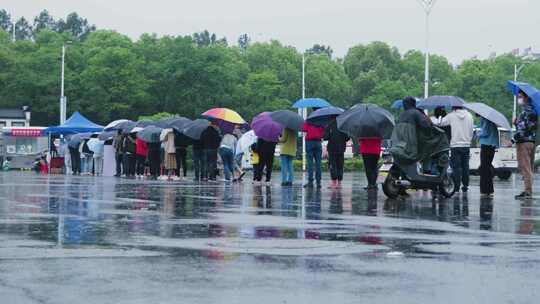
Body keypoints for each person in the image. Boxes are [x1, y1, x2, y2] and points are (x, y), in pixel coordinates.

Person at [439, 106, 474, 193]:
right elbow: (471, 132)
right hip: (466, 145)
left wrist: (438, 116)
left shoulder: (452, 115)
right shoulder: (470, 116)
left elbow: (441, 123)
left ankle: (457, 187)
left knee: (456, 167)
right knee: (465, 166)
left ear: (454, 107)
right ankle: (465, 185)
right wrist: (468, 140)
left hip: (455, 145)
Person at [513, 90, 538, 199]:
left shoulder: (525, 112)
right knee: (529, 166)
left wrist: (512, 140)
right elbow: (530, 127)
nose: (519, 99)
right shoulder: (534, 111)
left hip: (523, 142)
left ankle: (528, 191)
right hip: (531, 142)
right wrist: (516, 123)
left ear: (526, 98)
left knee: (525, 167)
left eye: (520, 96)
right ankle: (527, 190)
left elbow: (522, 130)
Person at [324, 119, 349, 188]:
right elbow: (347, 138)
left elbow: (325, 137)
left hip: (332, 148)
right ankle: (339, 183)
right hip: (341, 148)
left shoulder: (329, 125)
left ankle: (334, 183)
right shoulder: (343, 126)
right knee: (340, 165)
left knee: (333, 165)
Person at [478, 117, 499, 197]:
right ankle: (489, 189)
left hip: (487, 145)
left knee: (484, 168)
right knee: (487, 167)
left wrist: (478, 134)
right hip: (492, 145)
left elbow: (485, 132)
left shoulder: (485, 119)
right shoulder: (491, 120)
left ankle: (484, 190)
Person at [302, 121, 325, 188]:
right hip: (318, 142)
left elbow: (304, 130)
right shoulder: (321, 121)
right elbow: (323, 132)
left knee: (310, 163)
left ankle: (310, 182)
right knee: (318, 163)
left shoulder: (309, 120)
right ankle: (318, 182)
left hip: (309, 142)